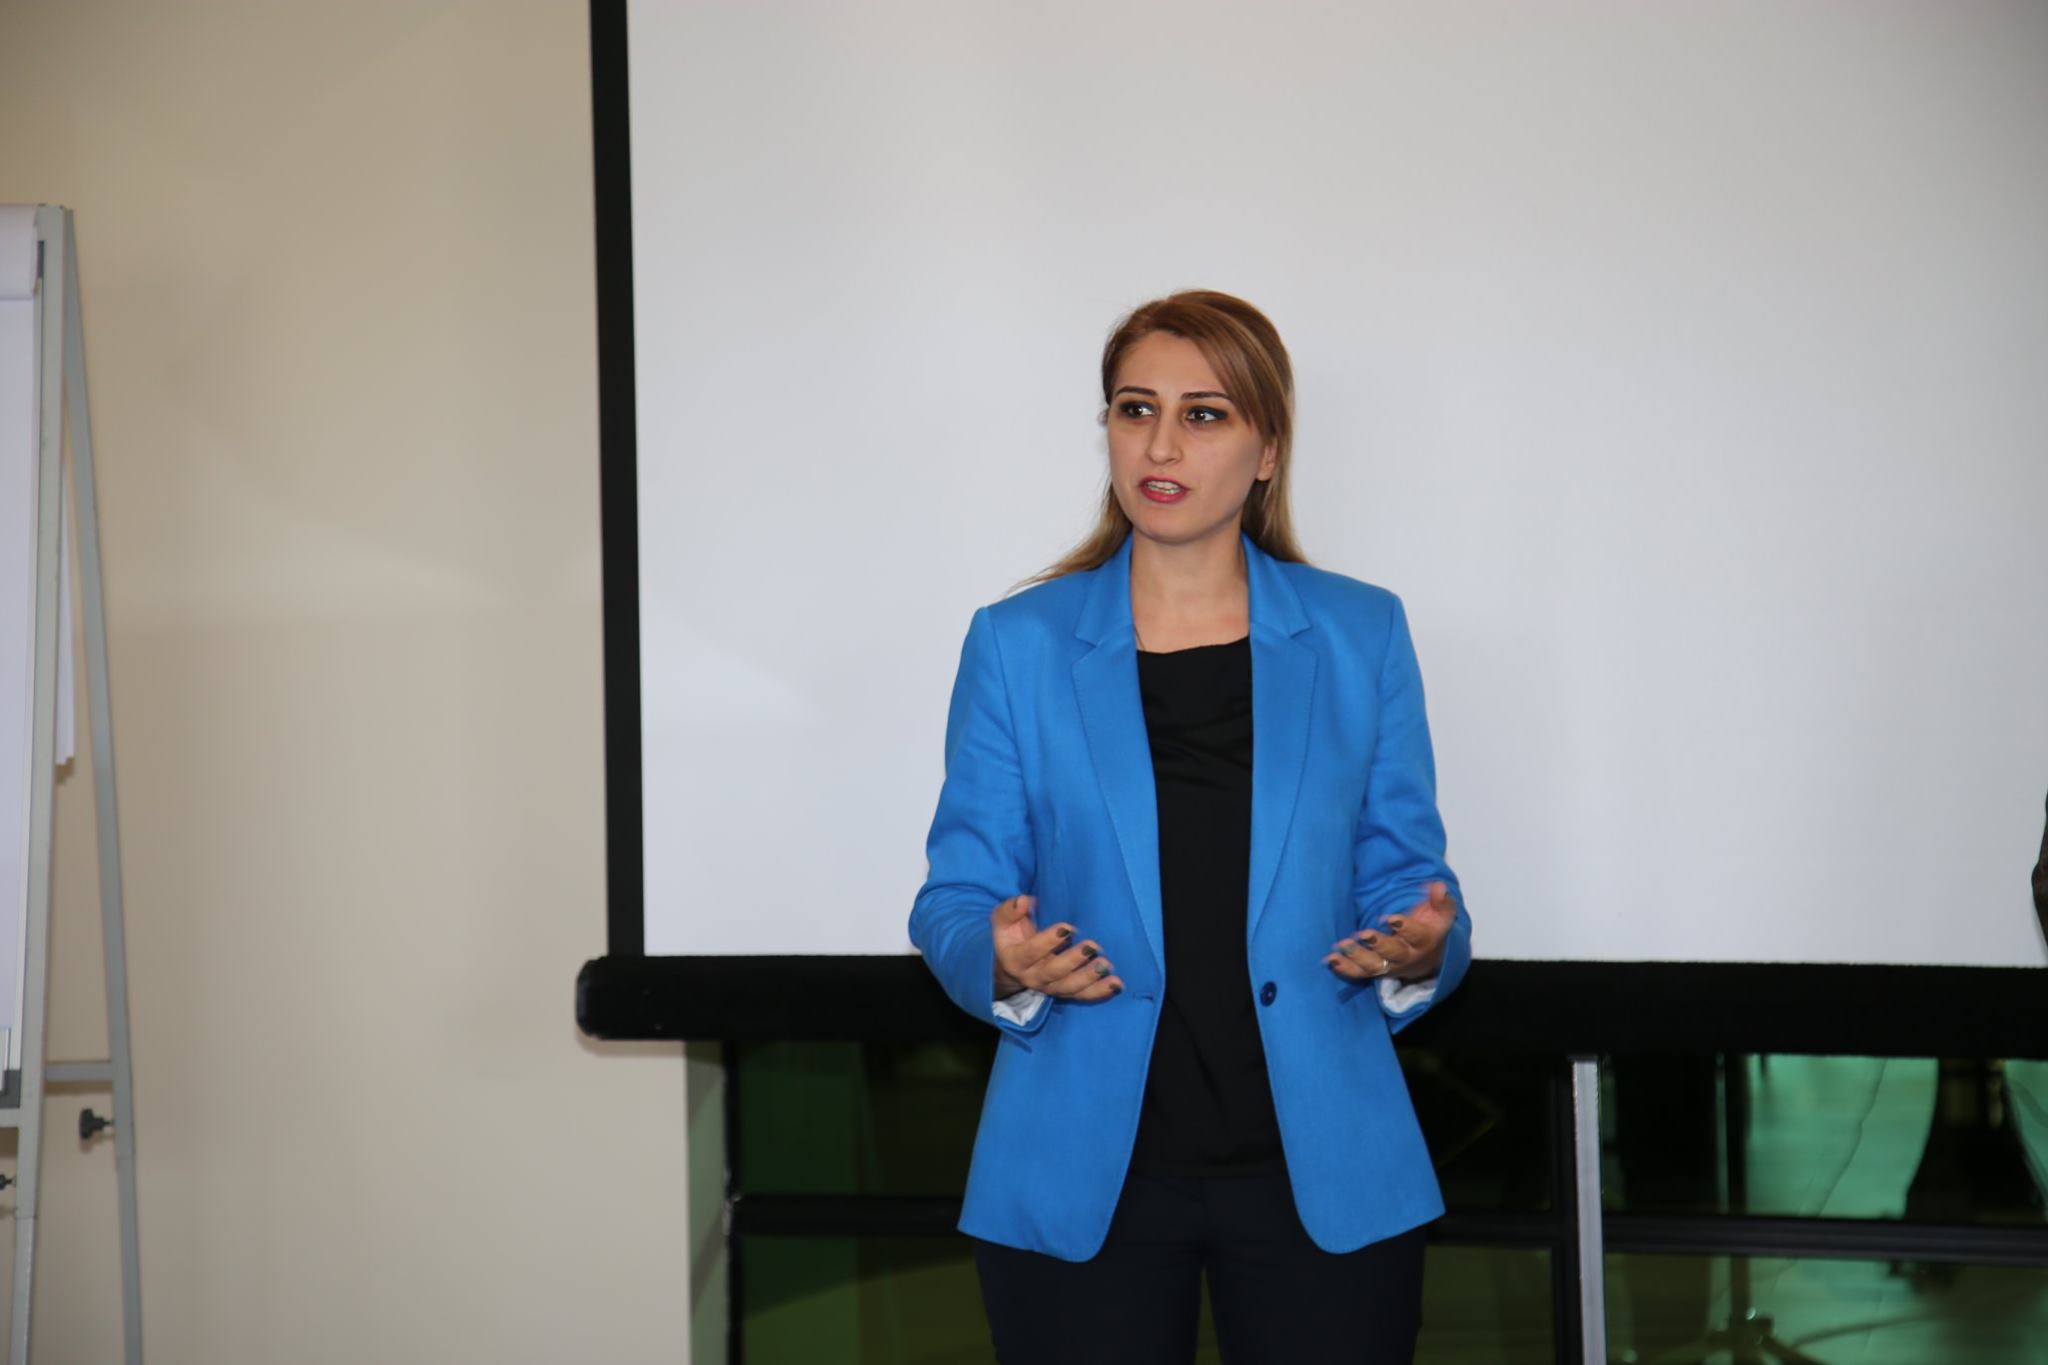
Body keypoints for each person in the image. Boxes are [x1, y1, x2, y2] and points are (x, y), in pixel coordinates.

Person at [908, 290, 1472, 1364]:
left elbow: (1409, 878)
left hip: (1321, 1170)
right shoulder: (1017, 644)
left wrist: (1420, 944)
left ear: (1268, 451)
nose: (1160, 445)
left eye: (1203, 414)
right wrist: (1001, 957)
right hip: (1083, 1175)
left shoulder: (1360, 633)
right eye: (1136, 409)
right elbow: (953, 898)